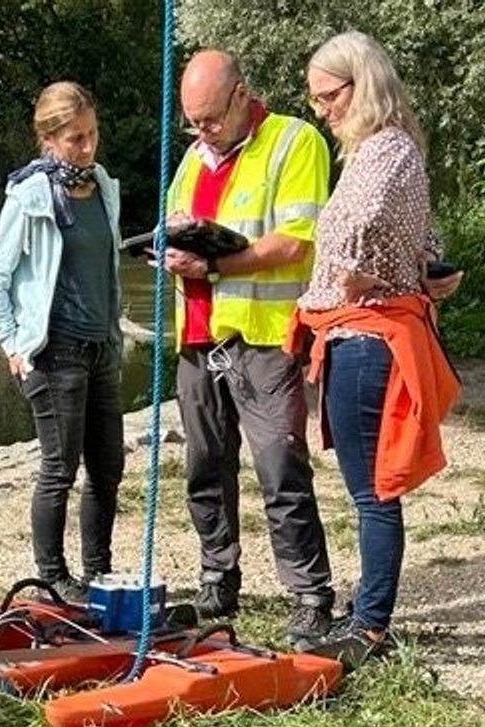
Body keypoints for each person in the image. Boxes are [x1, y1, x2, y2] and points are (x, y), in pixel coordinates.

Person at [287, 32, 464, 666]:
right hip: (363, 331)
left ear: (361, 85)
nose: (322, 110)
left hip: (367, 333)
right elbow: (425, 238)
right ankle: (366, 614)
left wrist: (352, 277)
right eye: (316, 100)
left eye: (328, 96)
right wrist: (421, 269)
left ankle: (368, 627)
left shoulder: (385, 150)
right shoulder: (387, 153)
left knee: (374, 491)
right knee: (371, 487)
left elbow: (359, 232)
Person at [164, 50, 342, 647]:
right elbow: (174, 226)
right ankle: (218, 575)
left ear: (242, 94)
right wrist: (171, 252)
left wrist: (212, 263)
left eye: (210, 118)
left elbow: (295, 244)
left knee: (279, 467)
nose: (201, 131)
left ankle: (310, 594)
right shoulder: (192, 158)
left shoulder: (295, 142)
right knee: (204, 466)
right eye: (193, 121)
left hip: (266, 335)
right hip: (198, 335)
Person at [0, 81, 126, 604]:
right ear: (48, 139)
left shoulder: (104, 185)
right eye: (74, 140)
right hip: (53, 349)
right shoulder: (31, 195)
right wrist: (12, 345)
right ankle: (52, 576)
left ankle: (98, 571)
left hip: (102, 346)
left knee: (108, 467)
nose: (86, 148)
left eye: (91, 135)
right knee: (59, 468)